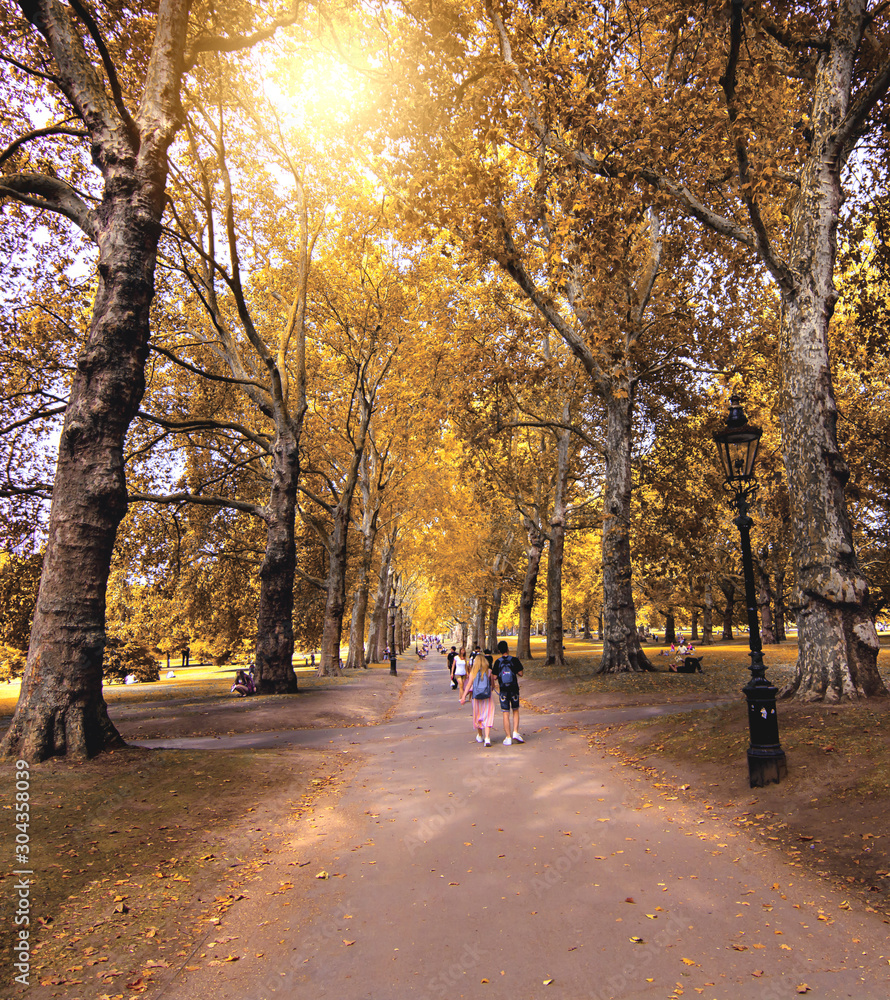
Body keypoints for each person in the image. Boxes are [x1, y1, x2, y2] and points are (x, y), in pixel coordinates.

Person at [460, 651, 495, 745]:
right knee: (487, 716)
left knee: (478, 716)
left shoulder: (473, 673)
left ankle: (480, 736)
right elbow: (493, 686)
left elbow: (468, 686)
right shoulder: (489, 671)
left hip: (476, 698)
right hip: (487, 697)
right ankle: (487, 738)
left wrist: (463, 697)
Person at [492, 640, 524, 745]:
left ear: (499, 650)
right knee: (515, 710)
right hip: (514, 688)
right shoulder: (514, 660)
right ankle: (515, 732)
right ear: (507, 649)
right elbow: (521, 673)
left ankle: (508, 737)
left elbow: (495, 677)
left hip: (503, 690)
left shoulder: (498, 662)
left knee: (505, 712)